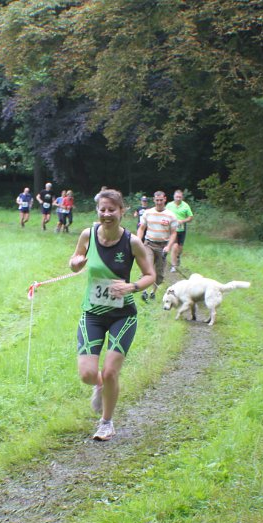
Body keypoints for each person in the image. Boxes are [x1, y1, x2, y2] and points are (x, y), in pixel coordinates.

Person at [69, 188, 156, 441]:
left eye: (112, 210)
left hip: (122, 315)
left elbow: (150, 275)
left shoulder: (132, 242)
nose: (107, 214)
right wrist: (75, 263)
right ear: (97, 211)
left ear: (122, 211)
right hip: (92, 313)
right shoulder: (88, 234)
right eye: (102, 209)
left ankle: (106, 423)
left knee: (110, 372)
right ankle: (100, 385)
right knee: (87, 374)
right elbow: (75, 260)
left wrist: (132, 286)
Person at [135, 190, 178, 303]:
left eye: (161, 200)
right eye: (157, 200)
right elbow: (141, 228)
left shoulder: (171, 215)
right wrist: (138, 241)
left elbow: (174, 233)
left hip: (163, 246)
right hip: (149, 244)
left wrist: (168, 246)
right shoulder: (148, 213)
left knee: (159, 274)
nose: (159, 202)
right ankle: (144, 291)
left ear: (165, 199)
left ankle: (153, 292)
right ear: (154, 200)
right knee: (148, 267)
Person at [165, 189, 194, 272]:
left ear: (182, 197)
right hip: (172, 229)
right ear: (174, 197)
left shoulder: (185, 206)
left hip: (182, 229)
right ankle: (174, 266)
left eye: (180, 197)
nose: (178, 198)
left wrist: (182, 221)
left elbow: (190, 217)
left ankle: (178, 256)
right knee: (175, 246)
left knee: (180, 247)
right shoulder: (169, 205)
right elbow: (164, 214)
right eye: (177, 197)